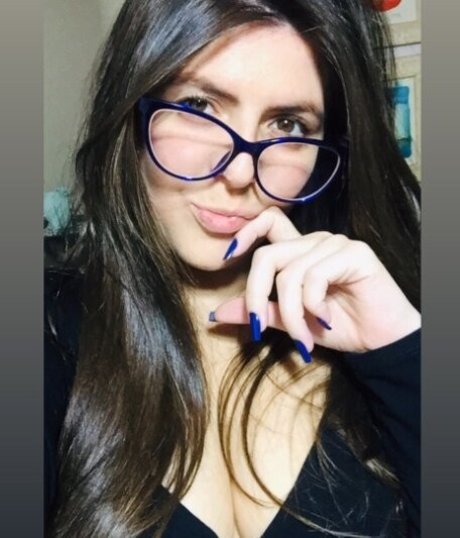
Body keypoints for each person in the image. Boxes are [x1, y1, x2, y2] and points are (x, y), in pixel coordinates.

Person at [45, 1, 421, 537]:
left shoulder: (385, 330)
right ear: (130, 107)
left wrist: (404, 358)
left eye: (288, 123)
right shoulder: (48, 335)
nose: (242, 172)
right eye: (198, 105)